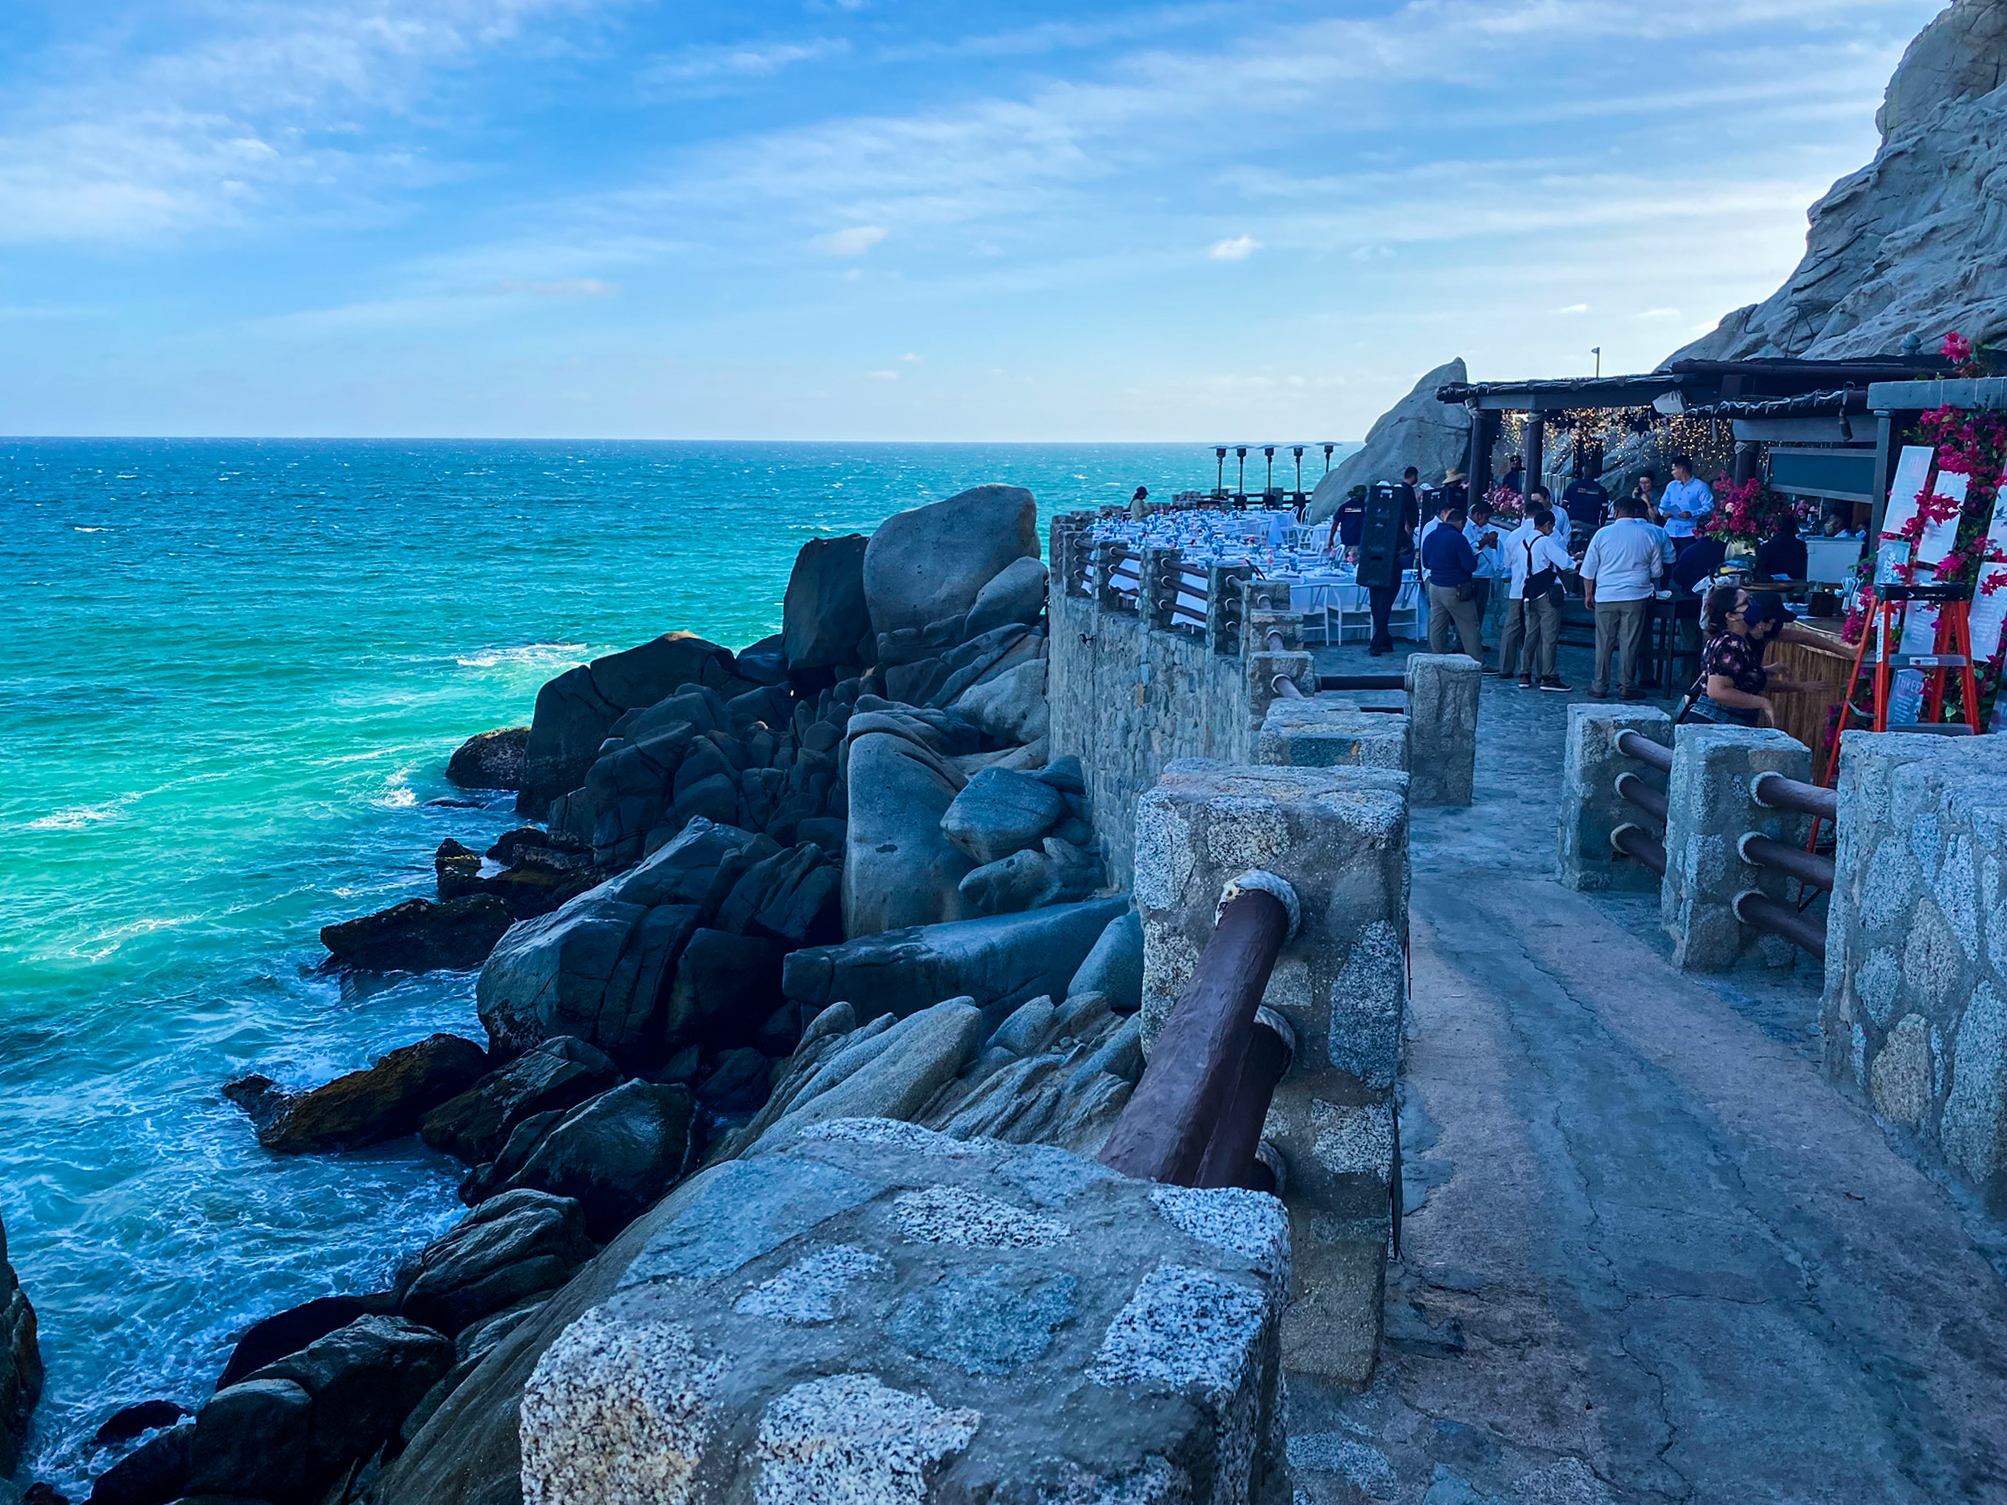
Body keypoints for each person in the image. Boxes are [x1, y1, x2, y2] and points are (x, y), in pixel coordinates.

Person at [1688, 587, 1829, 726]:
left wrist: (1765, 671)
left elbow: (1737, 678)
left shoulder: (1731, 641)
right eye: (1746, 602)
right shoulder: (1731, 643)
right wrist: (1763, 703)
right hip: (1717, 724)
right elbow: (1717, 691)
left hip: (1722, 724)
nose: (1753, 606)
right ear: (1731, 616)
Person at [1579, 496, 1664, 700]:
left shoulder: (1602, 534)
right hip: (1636, 594)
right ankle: (1627, 685)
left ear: (1615, 512)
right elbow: (1656, 571)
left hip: (1606, 594)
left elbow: (1589, 569)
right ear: (1635, 513)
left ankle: (1600, 685)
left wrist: (1589, 594)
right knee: (1630, 642)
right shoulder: (1649, 535)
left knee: (1604, 642)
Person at [1516, 508, 1573, 691]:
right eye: (1552, 526)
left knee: (1530, 635)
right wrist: (1576, 559)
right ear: (1548, 525)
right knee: (1549, 636)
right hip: (1546, 594)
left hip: (1529, 592)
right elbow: (1565, 563)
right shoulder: (1546, 542)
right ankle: (1548, 676)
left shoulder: (1523, 542)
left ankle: (1525, 674)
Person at [1422, 502, 1484, 658]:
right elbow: (1470, 565)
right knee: (1469, 626)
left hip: (1435, 585)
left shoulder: (1431, 536)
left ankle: (1436, 657)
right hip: (1455, 587)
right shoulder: (1458, 538)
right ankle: (1477, 661)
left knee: (1437, 625)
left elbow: (1425, 562)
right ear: (1460, 523)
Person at [1464, 499, 1504, 628]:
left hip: (1486, 572)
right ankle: (1462, 641)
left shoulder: (1484, 527)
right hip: (1474, 574)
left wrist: (1492, 543)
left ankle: (1476, 639)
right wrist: (1486, 540)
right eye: (1486, 517)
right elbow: (1471, 548)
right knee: (1470, 610)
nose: (1487, 521)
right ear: (1478, 514)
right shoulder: (1466, 527)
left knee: (1480, 610)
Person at [1659, 455, 1714, 545]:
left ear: (1681, 470)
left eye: (1674, 470)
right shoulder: (1671, 486)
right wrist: (1663, 513)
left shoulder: (1700, 486)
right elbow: (1662, 505)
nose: (1672, 473)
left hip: (1690, 532)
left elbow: (1709, 507)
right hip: (1670, 531)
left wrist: (1692, 513)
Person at [1756, 512, 1808, 580]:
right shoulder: (1803, 548)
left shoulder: (1767, 548)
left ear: (1777, 526)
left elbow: (1759, 572)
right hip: (1798, 586)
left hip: (1770, 587)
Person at [1563, 465, 1610, 535]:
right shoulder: (1601, 490)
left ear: (1582, 473)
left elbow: (1564, 506)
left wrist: (1568, 520)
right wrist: (1601, 526)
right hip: (1592, 524)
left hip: (1574, 523)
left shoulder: (1572, 487)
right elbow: (1604, 511)